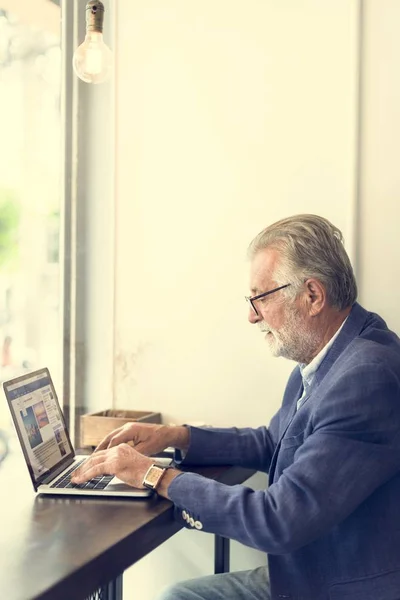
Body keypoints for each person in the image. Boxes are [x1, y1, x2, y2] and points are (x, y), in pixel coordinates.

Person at [72, 214, 400, 600]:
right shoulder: (332, 356)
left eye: (260, 297)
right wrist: (174, 436)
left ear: (312, 295)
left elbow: (277, 520)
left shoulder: (365, 378)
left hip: (336, 585)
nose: (251, 315)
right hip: (317, 569)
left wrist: (153, 476)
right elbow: (273, 442)